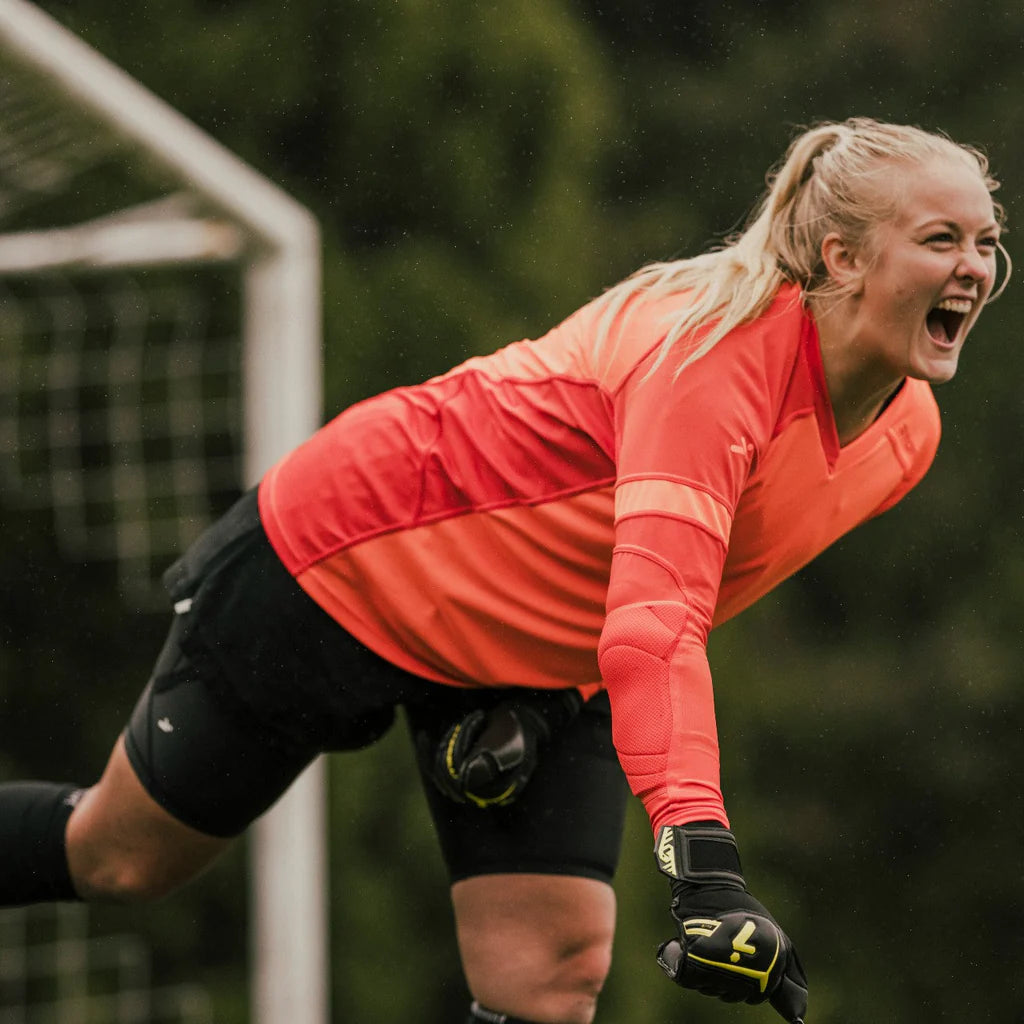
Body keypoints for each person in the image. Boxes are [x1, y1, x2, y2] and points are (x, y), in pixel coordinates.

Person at [0, 116, 1008, 1024]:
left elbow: (682, 589)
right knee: (122, 858)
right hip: (353, 558)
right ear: (840, 254)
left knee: (553, 972)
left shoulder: (906, 434)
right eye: (940, 239)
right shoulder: (712, 363)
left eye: (986, 241)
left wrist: (556, 701)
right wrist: (704, 871)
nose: (974, 265)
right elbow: (658, 627)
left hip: (534, 656)